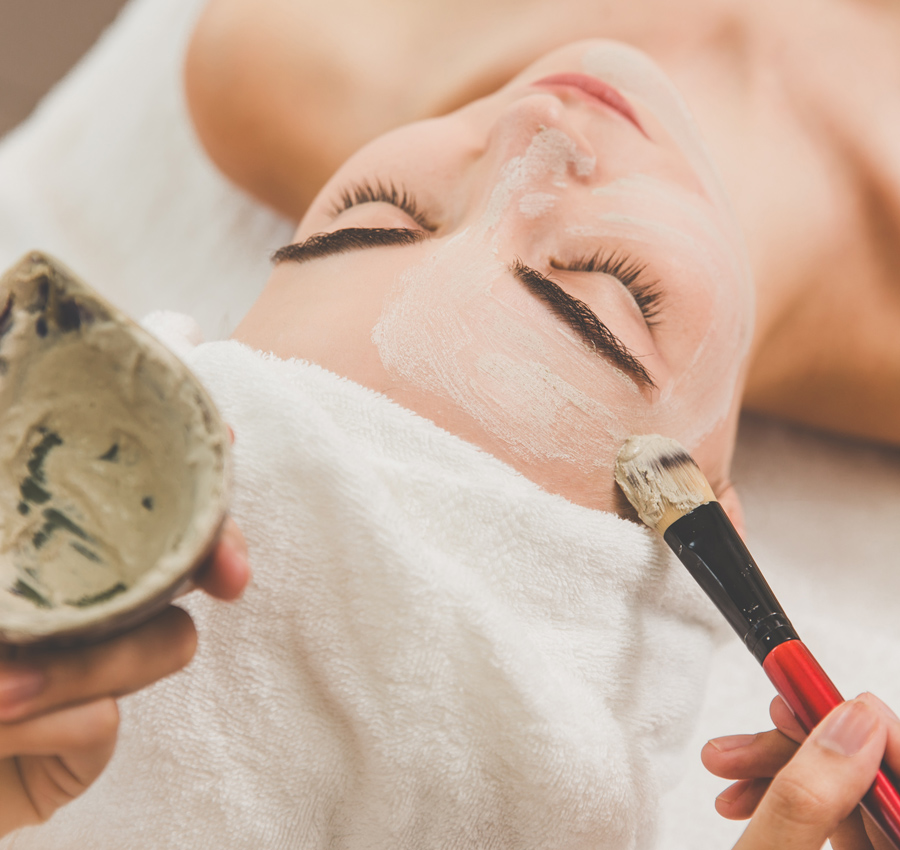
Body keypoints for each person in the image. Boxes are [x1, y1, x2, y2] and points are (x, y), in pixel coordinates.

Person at [0, 2, 896, 845]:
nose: (529, 133)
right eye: (596, 288)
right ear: (715, 517)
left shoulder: (299, 50)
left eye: (372, 216)